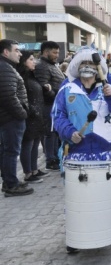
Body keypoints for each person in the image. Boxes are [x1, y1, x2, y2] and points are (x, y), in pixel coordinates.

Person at [52, 46, 111, 238]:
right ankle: (77, 233)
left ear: (98, 67)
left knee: (110, 191)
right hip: (78, 151)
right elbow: (57, 115)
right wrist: (70, 132)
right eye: (83, 63)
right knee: (78, 196)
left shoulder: (107, 88)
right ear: (77, 66)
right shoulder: (68, 89)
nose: (87, 66)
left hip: (105, 150)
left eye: (91, 63)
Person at [0, 39, 34, 196]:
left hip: (10, 118)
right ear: (6, 52)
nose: (20, 53)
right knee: (11, 151)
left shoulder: (7, 67)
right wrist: (22, 113)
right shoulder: (5, 68)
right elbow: (8, 96)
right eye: (16, 50)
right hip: (11, 118)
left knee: (8, 151)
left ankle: (10, 181)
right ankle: (11, 185)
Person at [17, 50, 50, 184]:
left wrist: (45, 88)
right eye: (31, 59)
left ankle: (34, 169)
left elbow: (35, 91)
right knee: (28, 144)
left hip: (38, 114)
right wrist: (29, 111)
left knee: (35, 143)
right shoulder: (21, 77)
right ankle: (28, 173)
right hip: (30, 115)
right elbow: (22, 97)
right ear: (23, 61)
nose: (34, 62)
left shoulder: (32, 76)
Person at [34, 41, 64, 171]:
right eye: (54, 52)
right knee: (50, 133)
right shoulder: (42, 66)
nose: (57, 55)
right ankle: (50, 160)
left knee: (55, 132)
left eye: (57, 52)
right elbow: (44, 86)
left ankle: (55, 157)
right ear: (46, 52)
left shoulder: (51, 65)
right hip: (49, 104)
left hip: (55, 103)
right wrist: (54, 94)